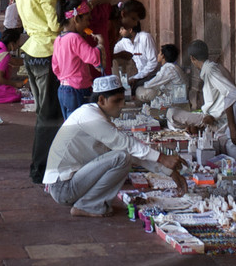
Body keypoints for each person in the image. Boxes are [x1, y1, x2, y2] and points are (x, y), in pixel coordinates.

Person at [44, 76, 186, 217]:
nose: (122, 105)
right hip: (63, 188)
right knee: (122, 157)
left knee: (123, 155)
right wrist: (162, 158)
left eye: (123, 100)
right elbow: (126, 144)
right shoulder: (89, 116)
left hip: (68, 185)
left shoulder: (96, 116)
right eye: (117, 100)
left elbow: (129, 150)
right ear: (101, 100)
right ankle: (88, 205)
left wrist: (168, 171)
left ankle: (88, 203)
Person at [17, 0, 65, 183]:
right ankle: (39, 169)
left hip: (32, 51)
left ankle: (44, 166)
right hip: (47, 53)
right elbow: (55, 24)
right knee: (49, 115)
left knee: (43, 113)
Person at [183, 41, 236, 153]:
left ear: (192, 58)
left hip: (220, 121)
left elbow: (233, 93)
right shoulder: (214, 68)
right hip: (211, 117)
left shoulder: (211, 71)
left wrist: (217, 117)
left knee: (172, 114)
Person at [52, 0, 105, 119]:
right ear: (76, 19)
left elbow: (56, 68)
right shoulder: (74, 38)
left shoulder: (58, 39)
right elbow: (94, 58)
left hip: (63, 89)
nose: (88, 24)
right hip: (77, 90)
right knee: (80, 127)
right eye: (86, 19)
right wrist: (101, 44)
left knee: (70, 125)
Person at [132, 44, 188, 108]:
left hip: (176, 100)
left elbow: (150, 84)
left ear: (163, 56)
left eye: (159, 53)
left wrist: (140, 85)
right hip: (178, 96)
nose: (157, 55)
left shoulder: (168, 68)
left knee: (141, 91)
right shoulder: (174, 66)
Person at [113, 1, 156, 80]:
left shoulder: (145, 37)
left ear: (130, 29)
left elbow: (153, 62)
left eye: (122, 29)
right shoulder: (124, 41)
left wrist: (137, 77)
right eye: (134, 19)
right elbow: (111, 52)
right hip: (140, 77)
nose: (135, 24)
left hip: (153, 76)